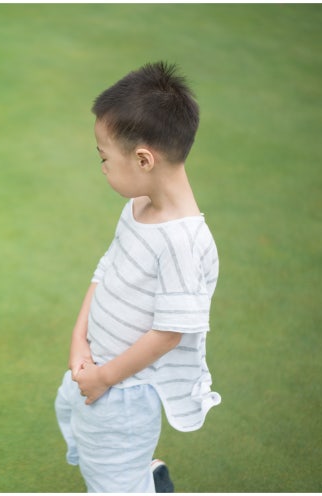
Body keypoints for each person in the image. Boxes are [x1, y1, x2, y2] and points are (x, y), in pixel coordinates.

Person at [54, 61, 221, 493]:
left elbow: (169, 333)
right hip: (97, 367)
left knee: (111, 481)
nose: (102, 167)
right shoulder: (138, 207)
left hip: (125, 393)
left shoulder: (182, 242)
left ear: (144, 159)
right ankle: (142, 476)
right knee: (83, 436)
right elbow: (106, 267)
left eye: (104, 158)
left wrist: (105, 377)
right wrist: (79, 338)